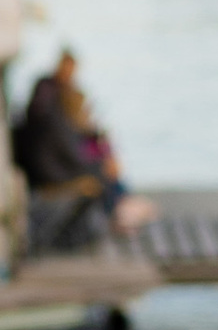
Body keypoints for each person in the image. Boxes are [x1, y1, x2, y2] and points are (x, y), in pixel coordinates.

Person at [12, 49, 133, 251]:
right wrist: (100, 167)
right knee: (100, 179)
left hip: (55, 165)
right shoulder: (51, 109)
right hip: (51, 173)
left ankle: (116, 209)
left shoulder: (58, 107)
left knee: (104, 176)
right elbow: (68, 154)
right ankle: (114, 213)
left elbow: (74, 148)